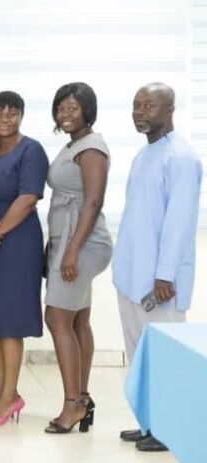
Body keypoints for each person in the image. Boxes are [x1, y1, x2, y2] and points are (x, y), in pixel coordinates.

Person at [114, 83, 201, 453]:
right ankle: (150, 422)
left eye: (149, 105)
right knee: (141, 356)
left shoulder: (181, 157)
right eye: (136, 105)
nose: (140, 112)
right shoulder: (144, 154)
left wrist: (166, 273)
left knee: (165, 357)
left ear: (170, 109)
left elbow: (179, 222)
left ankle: (168, 429)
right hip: (132, 276)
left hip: (159, 282)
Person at [0, 91, 49, 425]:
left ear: (21, 115)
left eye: (11, 114)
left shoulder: (31, 150)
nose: (3, 120)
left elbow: (28, 198)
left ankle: (8, 395)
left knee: (10, 321)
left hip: (17, 243)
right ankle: (5, 393)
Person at [43, 82, 112, 435]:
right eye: (61, 108)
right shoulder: (75, 145)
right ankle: (82, 398)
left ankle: (72, 405)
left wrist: (71, 249)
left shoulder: (92, 147)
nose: (66, 114)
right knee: (78, 320)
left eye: (73, 108)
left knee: (57, 318)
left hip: (82, 243)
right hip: (68, 240)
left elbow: (94, 202)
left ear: (88, 109)